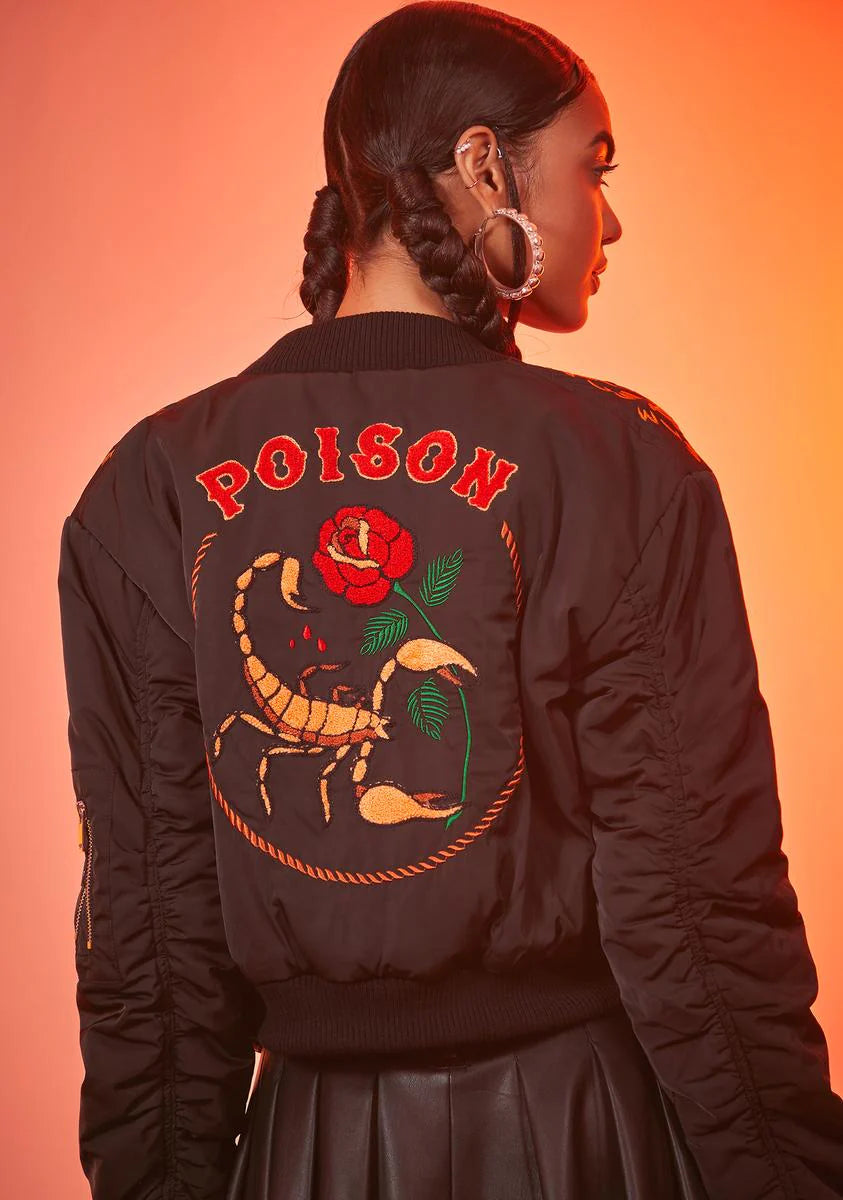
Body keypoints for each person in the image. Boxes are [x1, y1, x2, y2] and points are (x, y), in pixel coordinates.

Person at [56, 3, 843, 1198]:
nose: (611, 215)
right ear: (483, 167)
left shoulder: (147, 486)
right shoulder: (616, 463)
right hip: (585, 1140)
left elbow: (152, 943)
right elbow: (697, 905)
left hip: (305, 1155)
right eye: (595, 166)